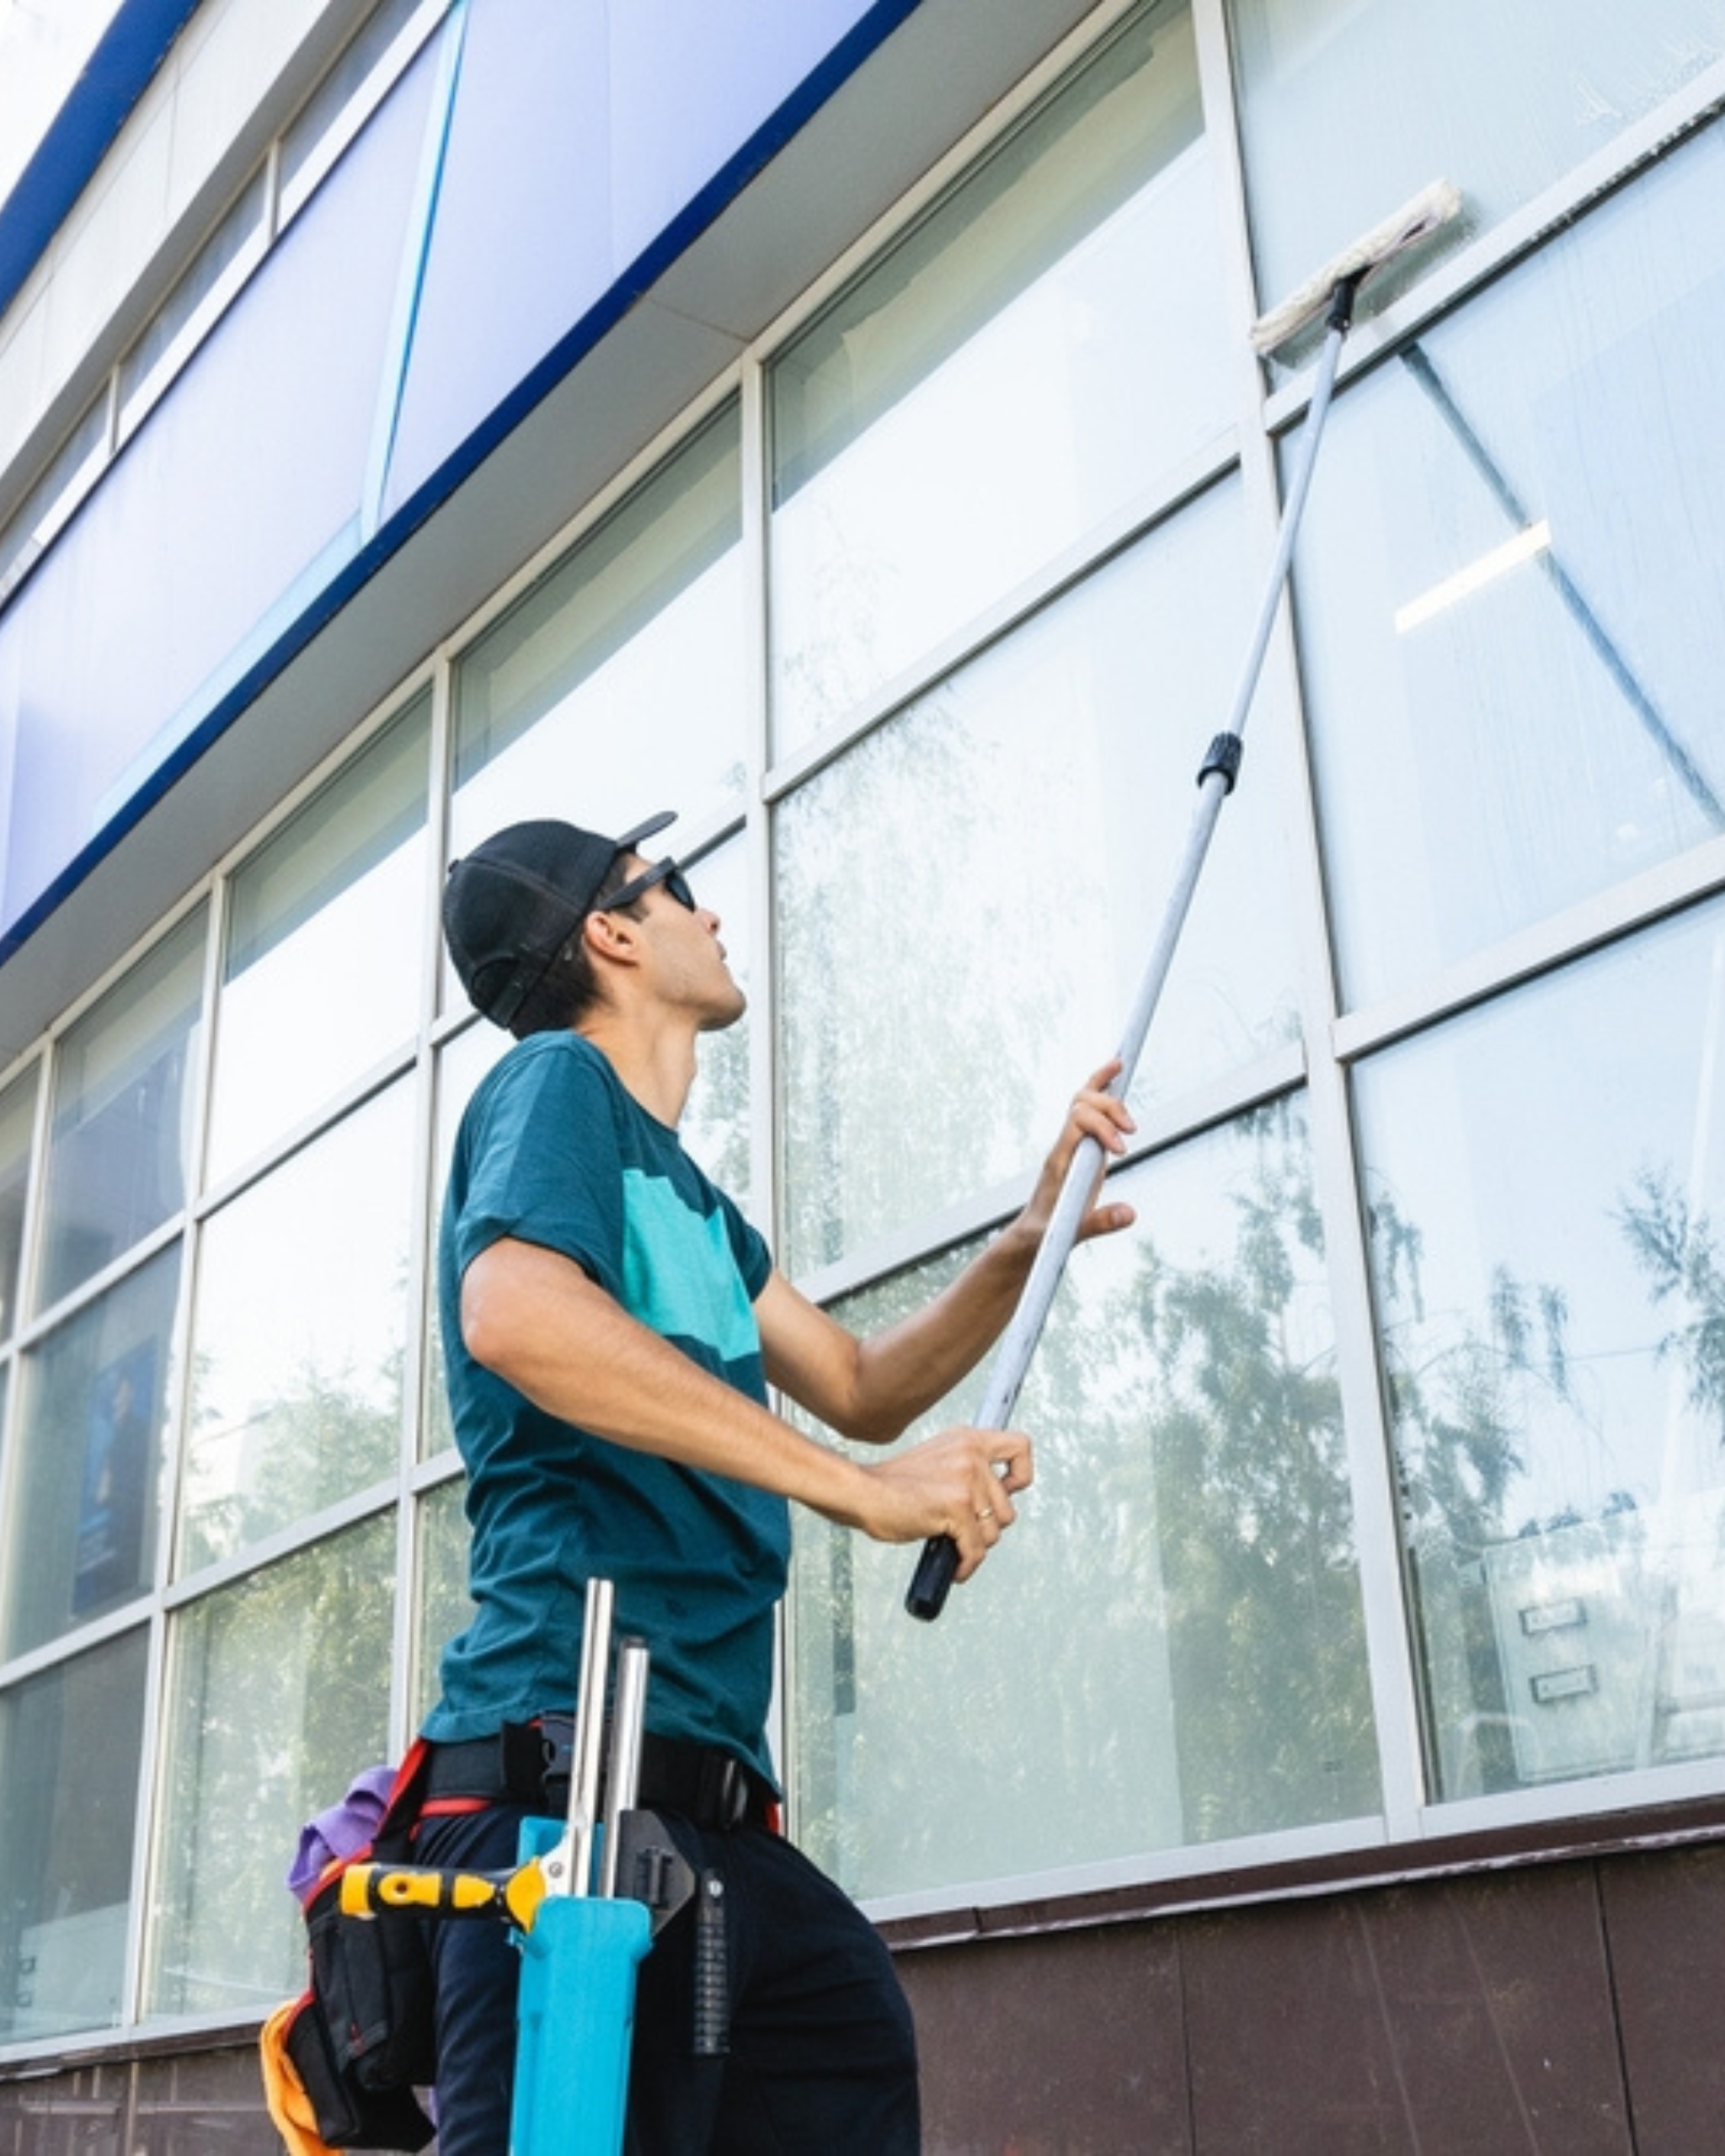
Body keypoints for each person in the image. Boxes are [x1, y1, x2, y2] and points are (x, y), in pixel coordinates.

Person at [418, 809, 1135, 2154]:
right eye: (678, 886)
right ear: (612, 932)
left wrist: (1026, 1240)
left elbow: (861, 1380)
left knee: (841, 2028)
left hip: (711, 1813)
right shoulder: (554, 1087)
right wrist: (860, 1492)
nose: (714, 911)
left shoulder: (687, 1198)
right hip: (564, 1794)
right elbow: (511, 1308)